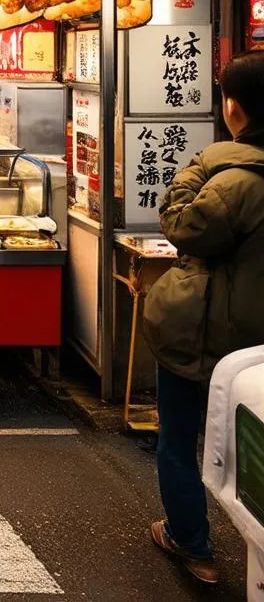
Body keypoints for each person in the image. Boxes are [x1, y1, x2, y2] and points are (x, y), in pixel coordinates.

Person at [147, 50, 264, 586]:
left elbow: (185, 227)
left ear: (233, 107)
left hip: (208, 333)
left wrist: (197, 169)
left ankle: (190, 541)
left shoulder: (231, 180)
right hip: (255, 341)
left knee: (180, 437)